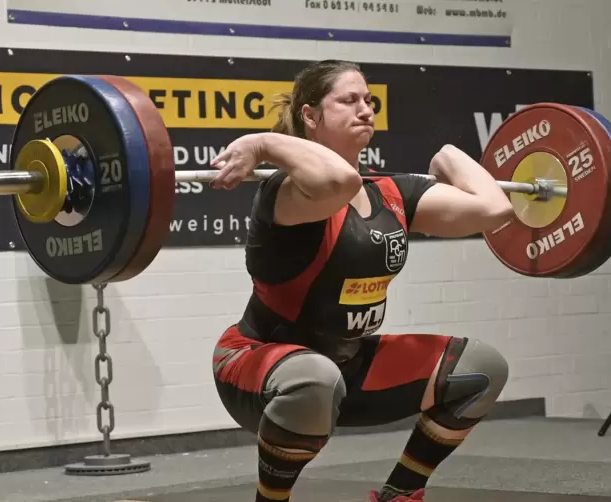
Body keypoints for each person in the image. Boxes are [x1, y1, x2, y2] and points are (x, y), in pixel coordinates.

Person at [208, 59, 513, 502]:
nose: (366, 109)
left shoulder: (391, 193)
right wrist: (263, 143)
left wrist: (448, 156)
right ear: (310, 116)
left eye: (368, 101)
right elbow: (336, 180)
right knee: (314, 378)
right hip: (260, 365)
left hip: (348, 368)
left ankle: (400, 494)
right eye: (349, 100)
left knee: (482, 369)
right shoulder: (288, 192)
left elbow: (496, 210)